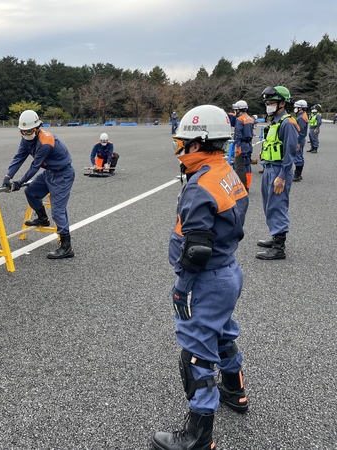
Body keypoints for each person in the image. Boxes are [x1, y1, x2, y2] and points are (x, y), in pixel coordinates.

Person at [152, 105, 249, 450]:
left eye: (184, 142)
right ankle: (235, 392)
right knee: (221, 331)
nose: (180, 148)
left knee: (196, 351)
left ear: (198, 143)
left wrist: (181, 288)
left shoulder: (199, 185)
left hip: (206, 278)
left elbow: (196, 250)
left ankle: (197, 437)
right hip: (229, 271)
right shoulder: (227, 171)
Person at [3, 110, 75, 259]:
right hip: (49, 172)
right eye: (23, 131)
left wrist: (20, 182)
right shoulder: (25, 139)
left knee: (58, 210)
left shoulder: (46, 142)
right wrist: (8, 176)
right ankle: (43, 218)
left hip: (62, 174)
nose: (26, 134)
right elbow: (19, 158)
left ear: (37, 128)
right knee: (31, 191)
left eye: (29, 131)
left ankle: (67, 247)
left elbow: (35, 166)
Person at [256, 86, 299, 260]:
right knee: (269, 205)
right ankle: (275, 237)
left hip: (279, 170)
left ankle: (279, 248)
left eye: (272, 102)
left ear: (283, 103)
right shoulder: (275, 121)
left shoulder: (288, 123)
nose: (269, 105)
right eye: (267, 102)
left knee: (277, 206)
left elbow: (290, 153)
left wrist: (282, 176)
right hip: (269, 169)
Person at [232, 100, 255, 192]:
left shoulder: (239, 119)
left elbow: (238, 135)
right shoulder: (250, 119)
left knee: (239, 166)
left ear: (239, 110)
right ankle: (247, 186)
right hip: (248, 144)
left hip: (241, 144)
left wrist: (237, 147)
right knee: (247, 166)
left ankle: (242, 187)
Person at [292, 100, 308, 182]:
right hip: (300, 139)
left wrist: (297, 142)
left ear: (301, 108)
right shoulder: (302, 115)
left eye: (296, 107)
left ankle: (297, 175)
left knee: (298, 157)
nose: (295, 108)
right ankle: (299, 174)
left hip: (299, 139)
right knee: (300, 156)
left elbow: (300, 131)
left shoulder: (301, 118)